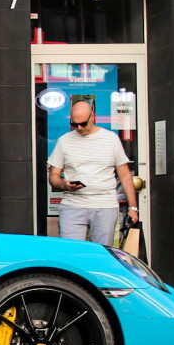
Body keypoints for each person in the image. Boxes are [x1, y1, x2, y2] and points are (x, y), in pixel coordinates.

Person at [47, 100, 139, 245]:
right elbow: (53, 176)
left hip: (105, 205)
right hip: (73, 205)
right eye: (74, 124)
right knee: (71, 254)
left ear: (93, 117)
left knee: (101, 254)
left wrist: (133, 208)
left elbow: (125, 175)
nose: (79, 128)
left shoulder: (111, 139)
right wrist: (65, 185)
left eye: (83, 123)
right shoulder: (64, 141)